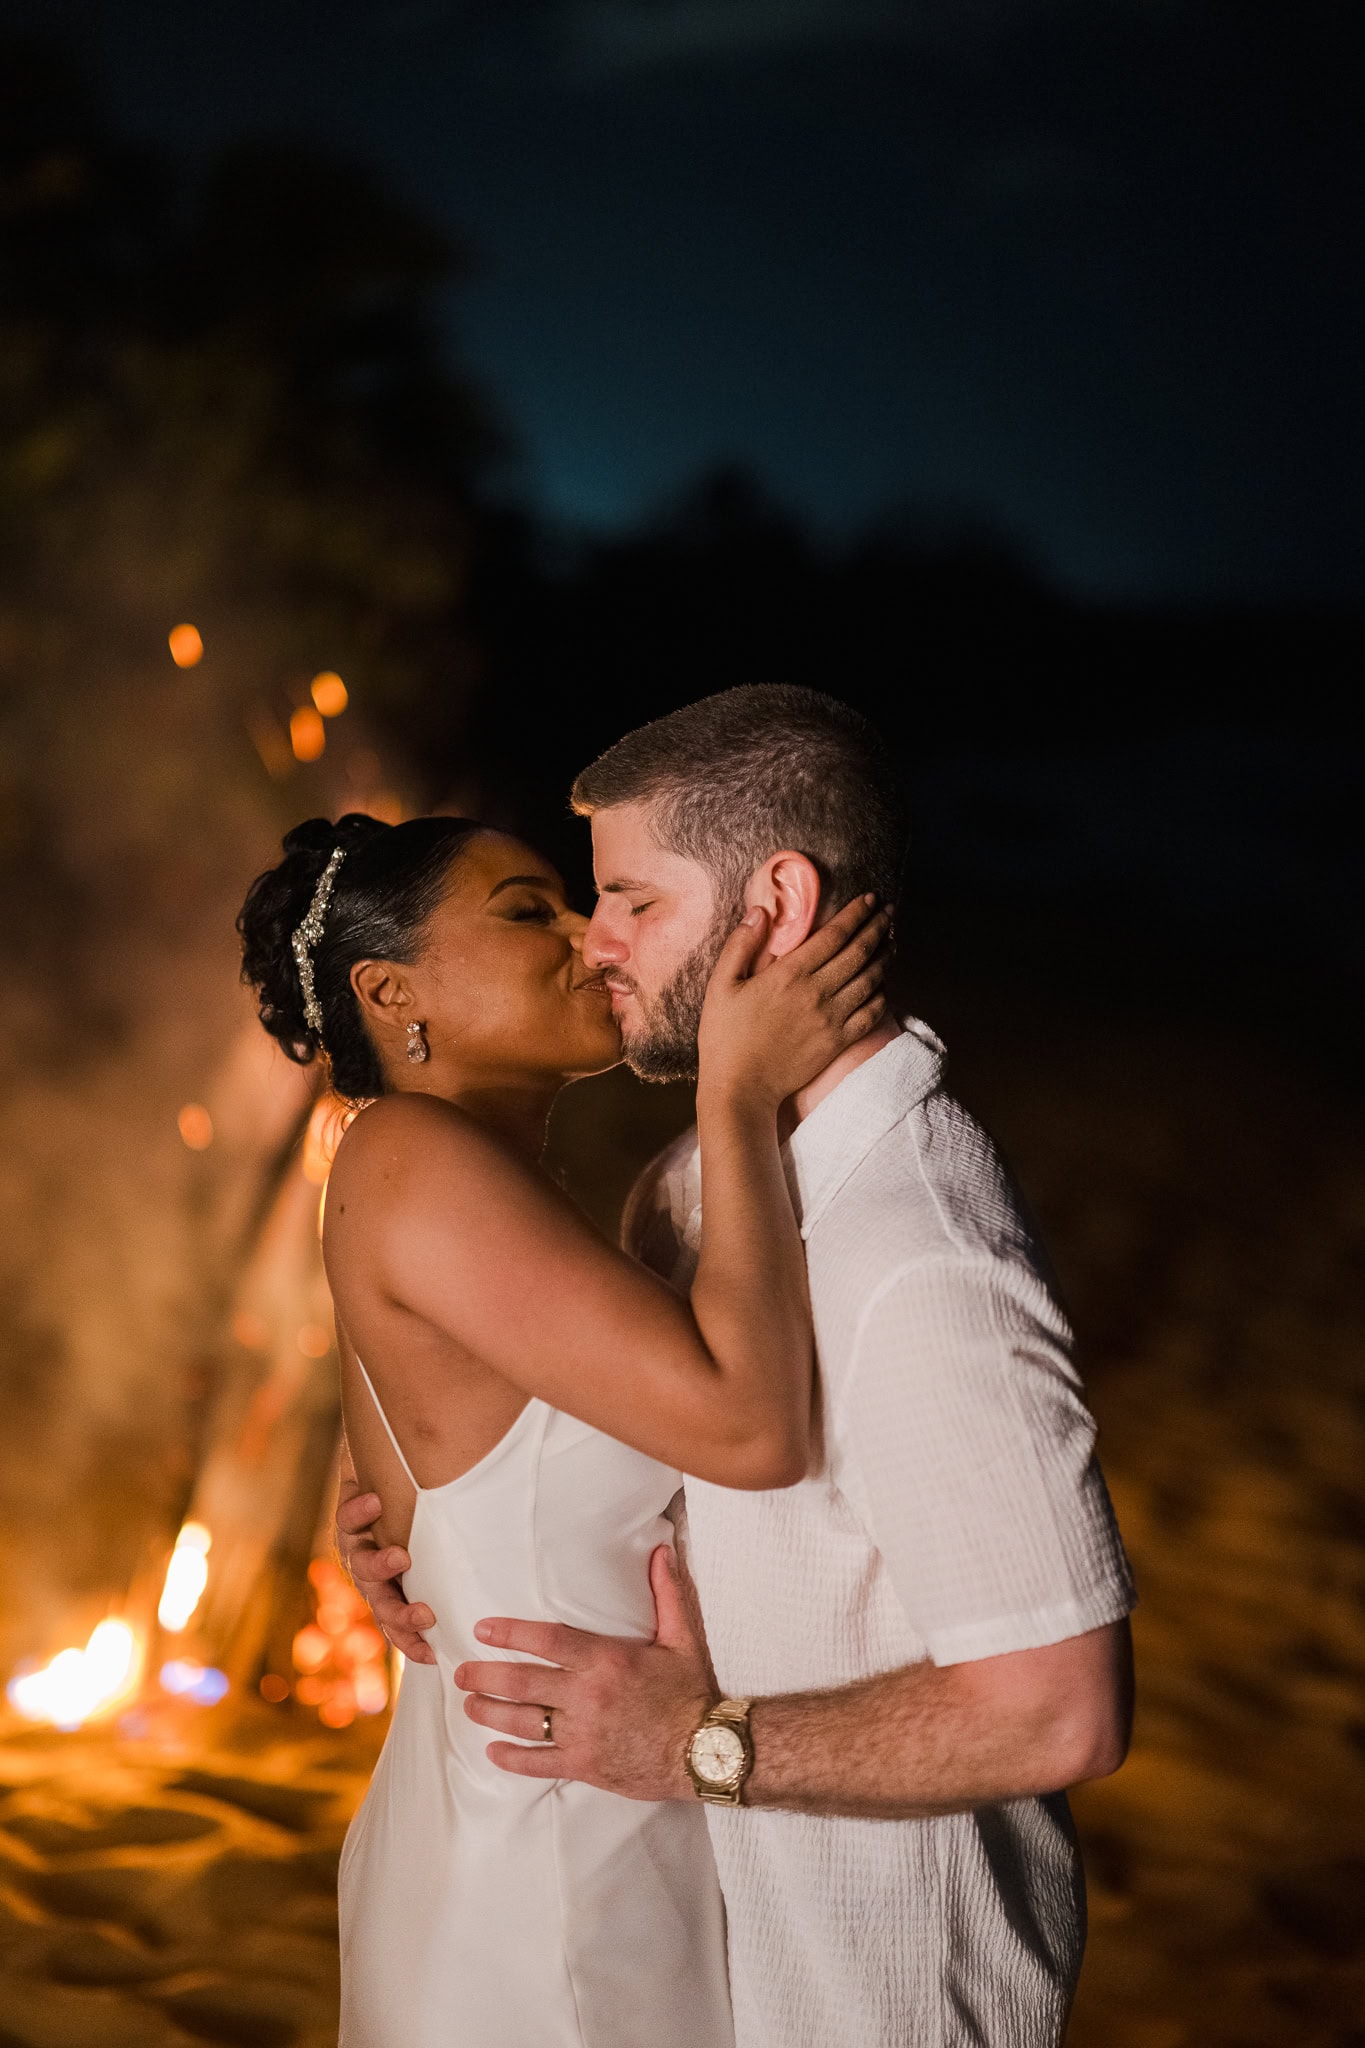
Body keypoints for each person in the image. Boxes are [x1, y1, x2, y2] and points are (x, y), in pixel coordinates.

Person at [344, 686, 1137, 2048]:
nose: (596, 946)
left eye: (630, 904)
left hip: (883, 1991)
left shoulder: (922, 1254)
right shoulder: (699, 1193)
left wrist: (694, 1744)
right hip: (719, 1943)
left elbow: (1061, 1715)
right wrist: (412, 1506)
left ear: (773, 905)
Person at [236, 807, 889, 2048]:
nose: (590, 936)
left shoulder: (450, 1175)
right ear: (392, 992)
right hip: (550, 1886)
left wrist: (400, 1526)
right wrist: (738, 1094)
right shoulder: (410, 1155)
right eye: (528, 911)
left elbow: (453, 1443)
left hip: (555, 1825)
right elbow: (750, 1427)